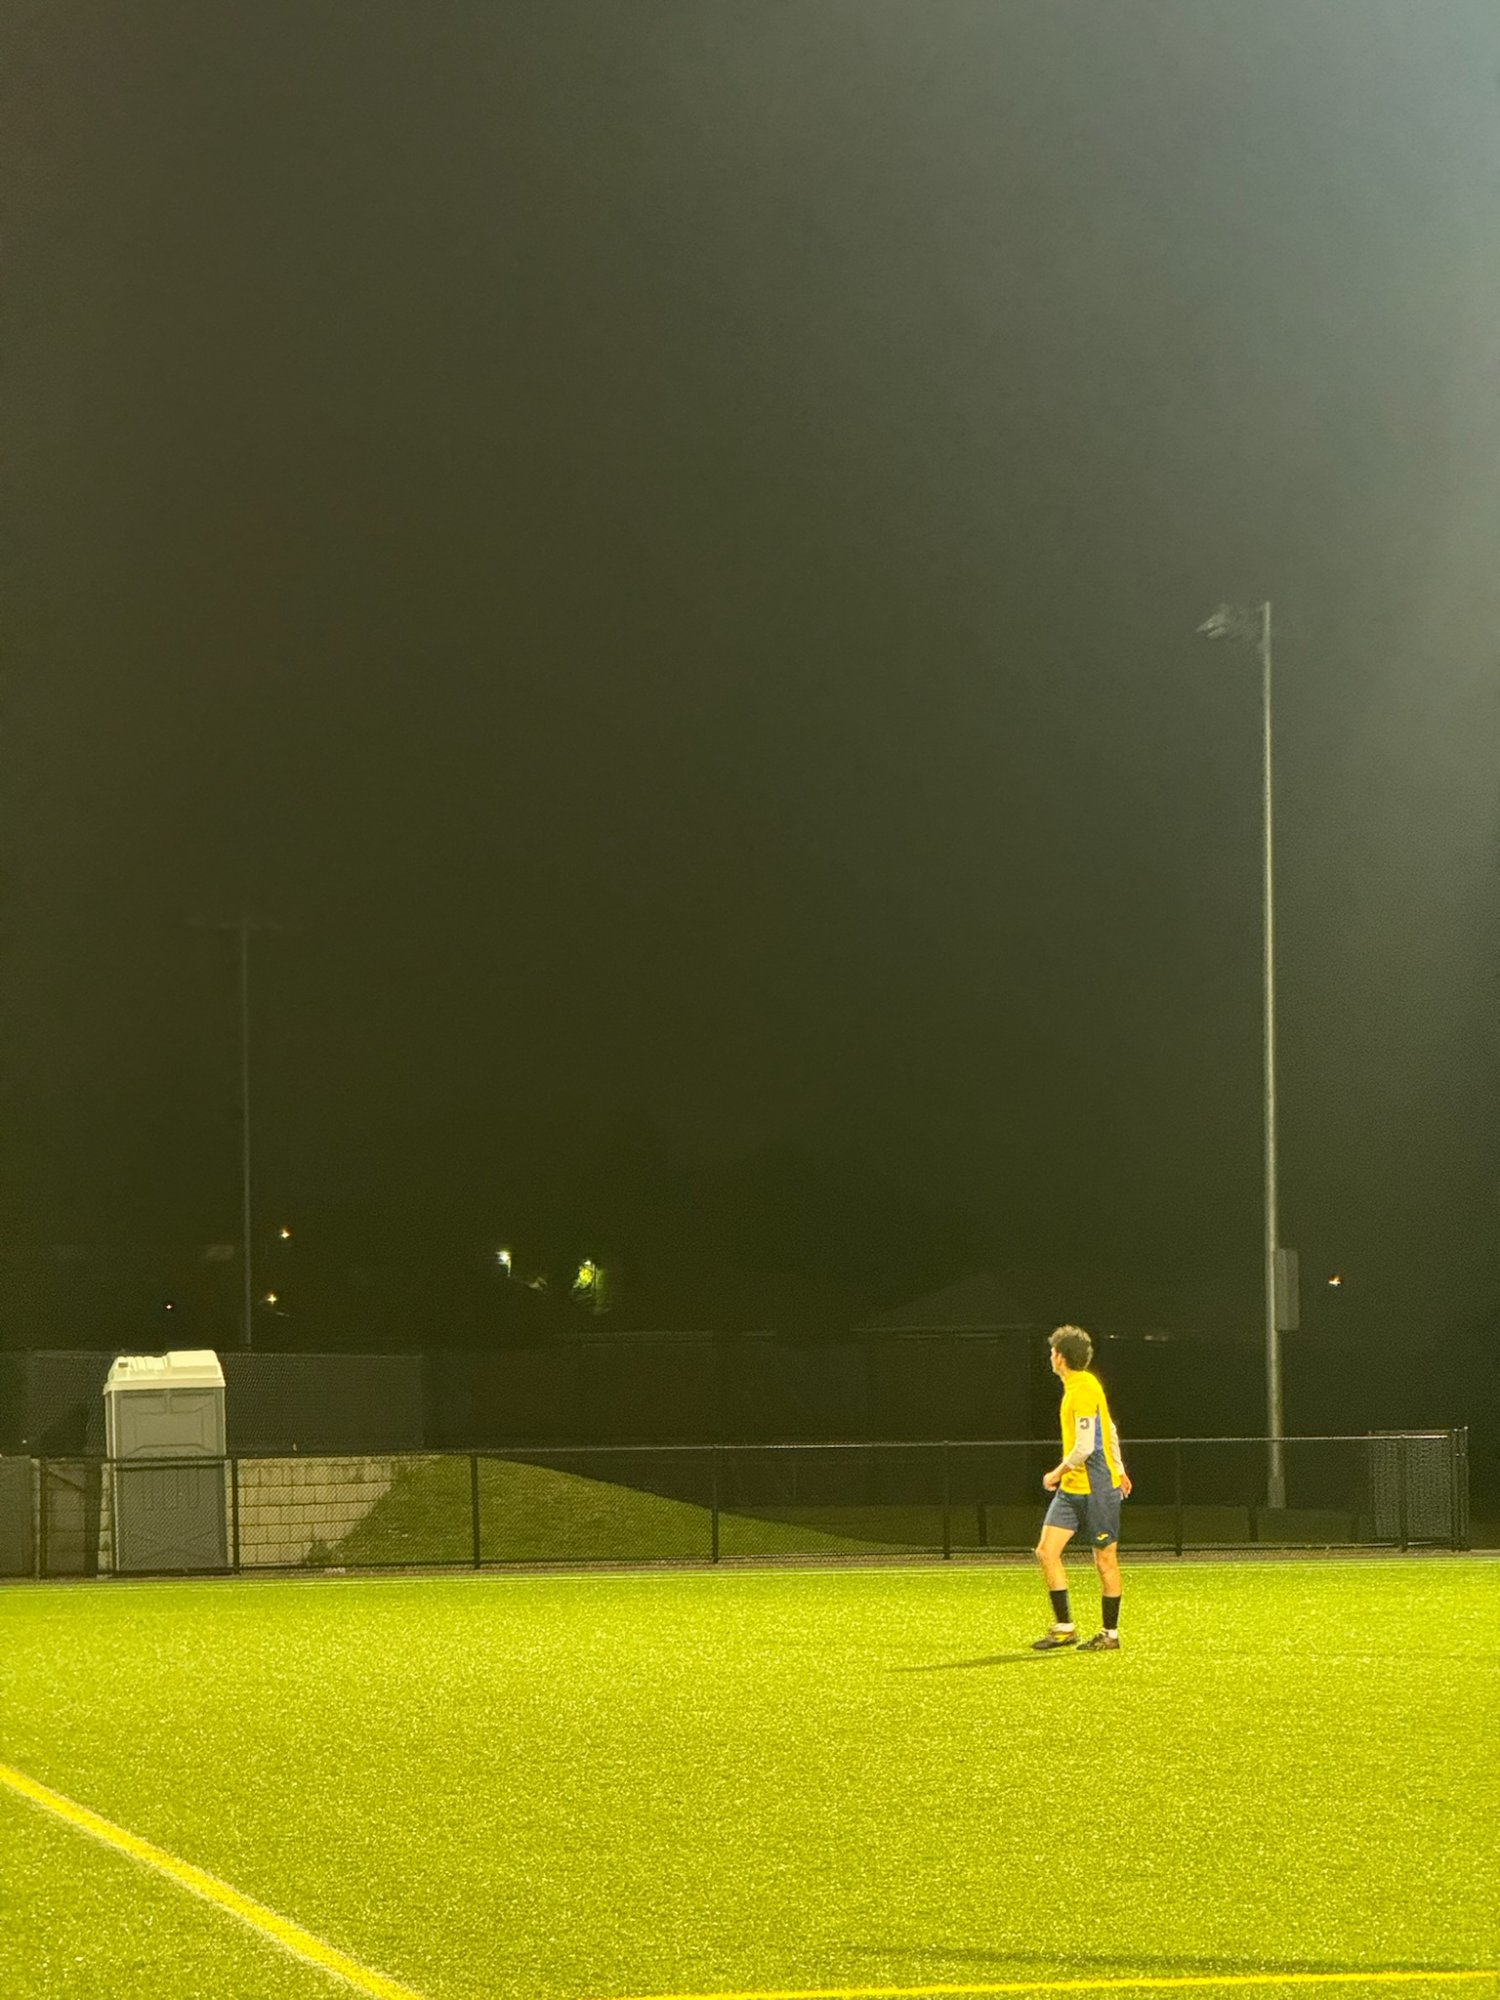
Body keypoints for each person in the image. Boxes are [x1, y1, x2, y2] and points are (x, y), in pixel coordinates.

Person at [1031, 1324, 1131, 1652]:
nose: (1050, 1356)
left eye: (1052, 1351)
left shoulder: (1084, 1388)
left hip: (1097, 1487)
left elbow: (1087, 1445)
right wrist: (1120, 1464)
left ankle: (1110, 1634)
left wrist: (1056, 1472)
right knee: (1046, 1552)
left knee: (1105, 1560)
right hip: (1073, 1489)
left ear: (1060, 1357)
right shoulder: (1076, 1386)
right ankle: (1064, 1628)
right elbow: (1110, 1428)